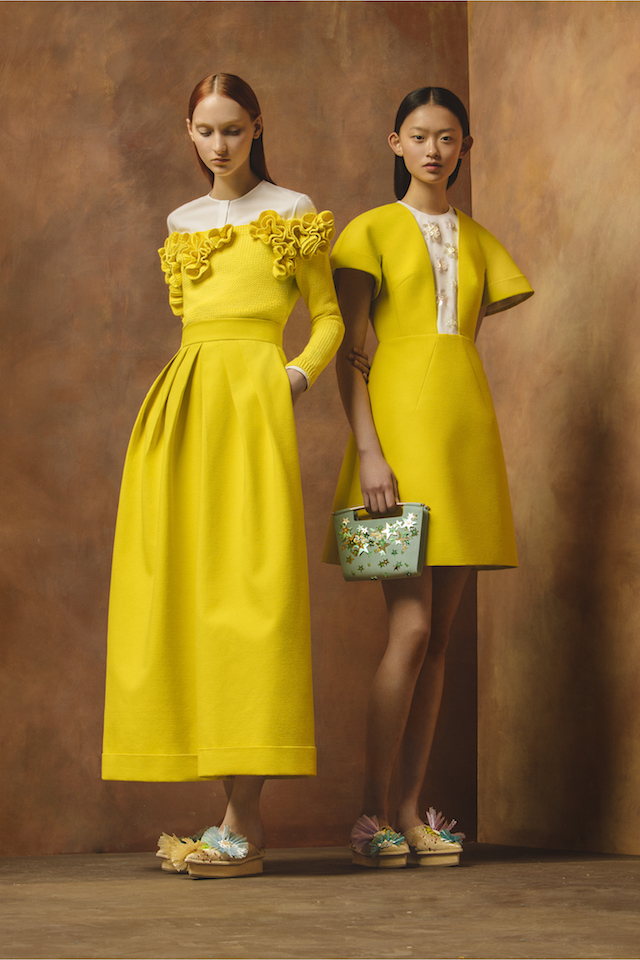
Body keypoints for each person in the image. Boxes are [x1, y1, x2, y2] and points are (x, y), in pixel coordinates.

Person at [102, 73, 343, 878]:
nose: (219, 145)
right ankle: (233, 820)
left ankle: (243, 822)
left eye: (233, 129)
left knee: (252, 598)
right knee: (192, 598)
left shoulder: (294, 209)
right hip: (182, 410)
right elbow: (194, 325)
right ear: (188, 132)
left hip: (254, 408)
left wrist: (294, 378)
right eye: (205, 131)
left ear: (257, 127)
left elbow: (329, 317)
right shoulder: (182, 222)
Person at [323, 87, 533, 868]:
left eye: (448, 138)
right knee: (409, 629)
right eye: (419, 136)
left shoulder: (479, 240)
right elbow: (350, 353)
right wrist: (370, 452)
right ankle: (371, 814)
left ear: (464, 147)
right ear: (396, 143)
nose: (434, 150)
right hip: (398, 442)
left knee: (439, 639)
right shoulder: (369, 231)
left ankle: (411, 813)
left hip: (466, 437)